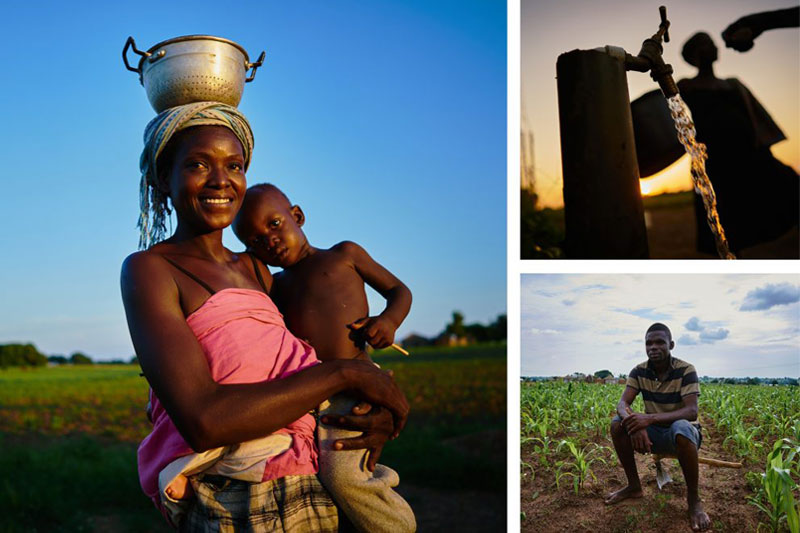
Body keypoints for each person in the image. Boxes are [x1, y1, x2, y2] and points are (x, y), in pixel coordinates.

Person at [121, 101, 408, 531]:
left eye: (234, 165)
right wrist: (346, 375)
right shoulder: (150, 269)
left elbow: (295, 359)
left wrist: (374, 411)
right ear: (164, 178)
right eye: (198, 164)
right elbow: (206, 421)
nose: (221, 180)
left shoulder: (257, 270)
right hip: (239, 500)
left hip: (313, 481)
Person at [231, 183, 416, 533]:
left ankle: (397, 525)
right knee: (309, 476)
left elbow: (399, 291)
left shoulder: (344, 254)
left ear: (297, 216)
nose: (268, 240)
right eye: (255, 240)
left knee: (342, 475)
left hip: (355, 385)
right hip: (306, 391)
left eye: (274, 225)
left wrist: (388, 321)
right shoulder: (275, 286)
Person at [677, 32, 799, 256]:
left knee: (790, 187)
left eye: (712, 43)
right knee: (726, 221)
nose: (713, 47)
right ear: (694, 55)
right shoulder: (686, 87)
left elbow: (755, 117)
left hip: (749, 157)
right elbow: (673, 117)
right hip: (714, 162)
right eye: (706, 45)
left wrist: (763, 149)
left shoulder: (732, 84)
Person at [604, 323, 710, 531]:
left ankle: (694, 501)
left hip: (683, 435)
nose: (653, 347)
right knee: (617, 425)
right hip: (653, 434)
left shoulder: (686, 370)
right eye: (648, 343)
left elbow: (691, 412)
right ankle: (634, 486)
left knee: (681, 426)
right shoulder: (639, 371)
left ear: (671, 344)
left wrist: (649, 419)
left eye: (660, 342)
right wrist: (635, 425)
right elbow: (622, 404)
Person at [722, 6, 799, 52]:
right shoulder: (756, 27)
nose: (748, 34)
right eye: (748, 37)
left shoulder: (744, 24)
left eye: (745, 35)